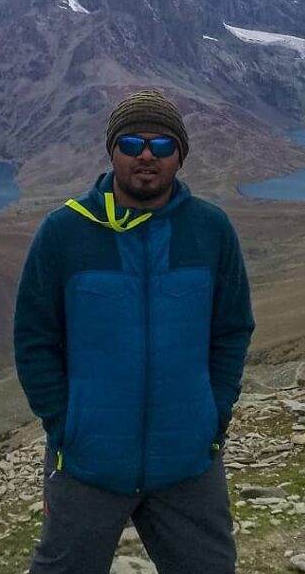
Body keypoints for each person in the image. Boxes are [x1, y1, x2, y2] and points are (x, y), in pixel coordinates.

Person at [13, 89, 255, 574]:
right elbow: (35, 339)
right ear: (112, 151)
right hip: (89, 463)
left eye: (163, 145)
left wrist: (214, 413)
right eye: (132, 143)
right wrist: (67, 426)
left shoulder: (210, 230)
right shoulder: (64, 232)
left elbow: (231, 329)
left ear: (180, 156)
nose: (147, 155)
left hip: (187, 461)